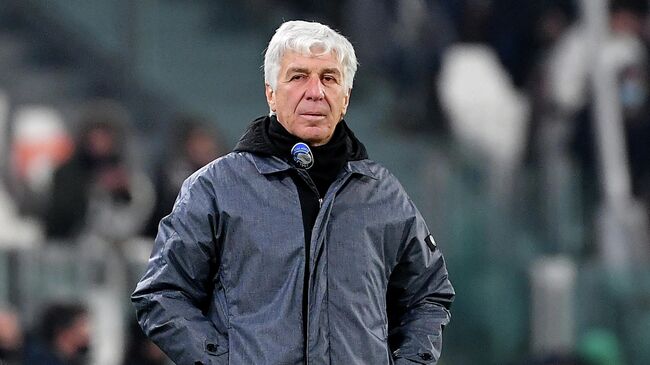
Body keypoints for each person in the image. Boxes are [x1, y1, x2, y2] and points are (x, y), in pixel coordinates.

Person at [132, 20, 454, 365]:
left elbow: (429, 295)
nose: (315, 91)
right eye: (298, 76)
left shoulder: (384, 194)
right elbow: (162, 293)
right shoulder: (215, 188)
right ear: (271, 92)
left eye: (329, 78)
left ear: (345, 98)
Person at [23, 302, 90, 365]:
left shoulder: (76, 360)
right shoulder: (39, 360)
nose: (88, 331)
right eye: (82, 325)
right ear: (64, 331)